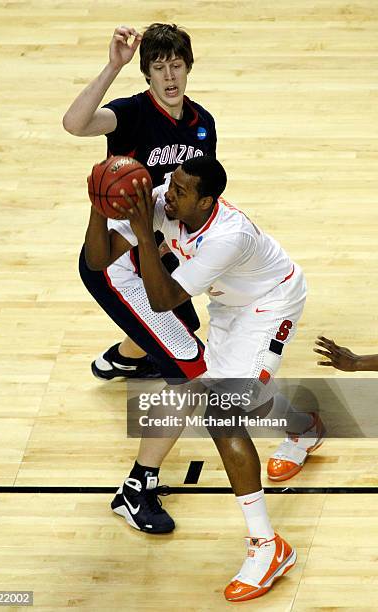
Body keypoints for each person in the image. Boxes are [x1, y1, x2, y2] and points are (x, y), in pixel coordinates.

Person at [84, 155, 319, 602]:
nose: (166, 196)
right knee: (233, 396)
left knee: (223, 414)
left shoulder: (228, 236)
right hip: (232, 304)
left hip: (271, 303)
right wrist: (100, 204)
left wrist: (144, 237)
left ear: (207, 201)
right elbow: (98, 260)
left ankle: (268, 547)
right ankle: (304, 427)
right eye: (169, 185)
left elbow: (163, 297)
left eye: (179, 192)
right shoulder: (165, 203)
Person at [63, 23, 216, 380]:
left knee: (184, 320)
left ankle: (123, 359)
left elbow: (202, 193)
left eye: (176, 65)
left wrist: (181, 245)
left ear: (188, 67)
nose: (169, 76)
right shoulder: (132, 114)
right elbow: (74, 123)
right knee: (183, 352)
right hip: (118, 251)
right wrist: (113, 66)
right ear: (147, 74)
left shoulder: (203, 122)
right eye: (159, 67)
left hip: (162, 243)